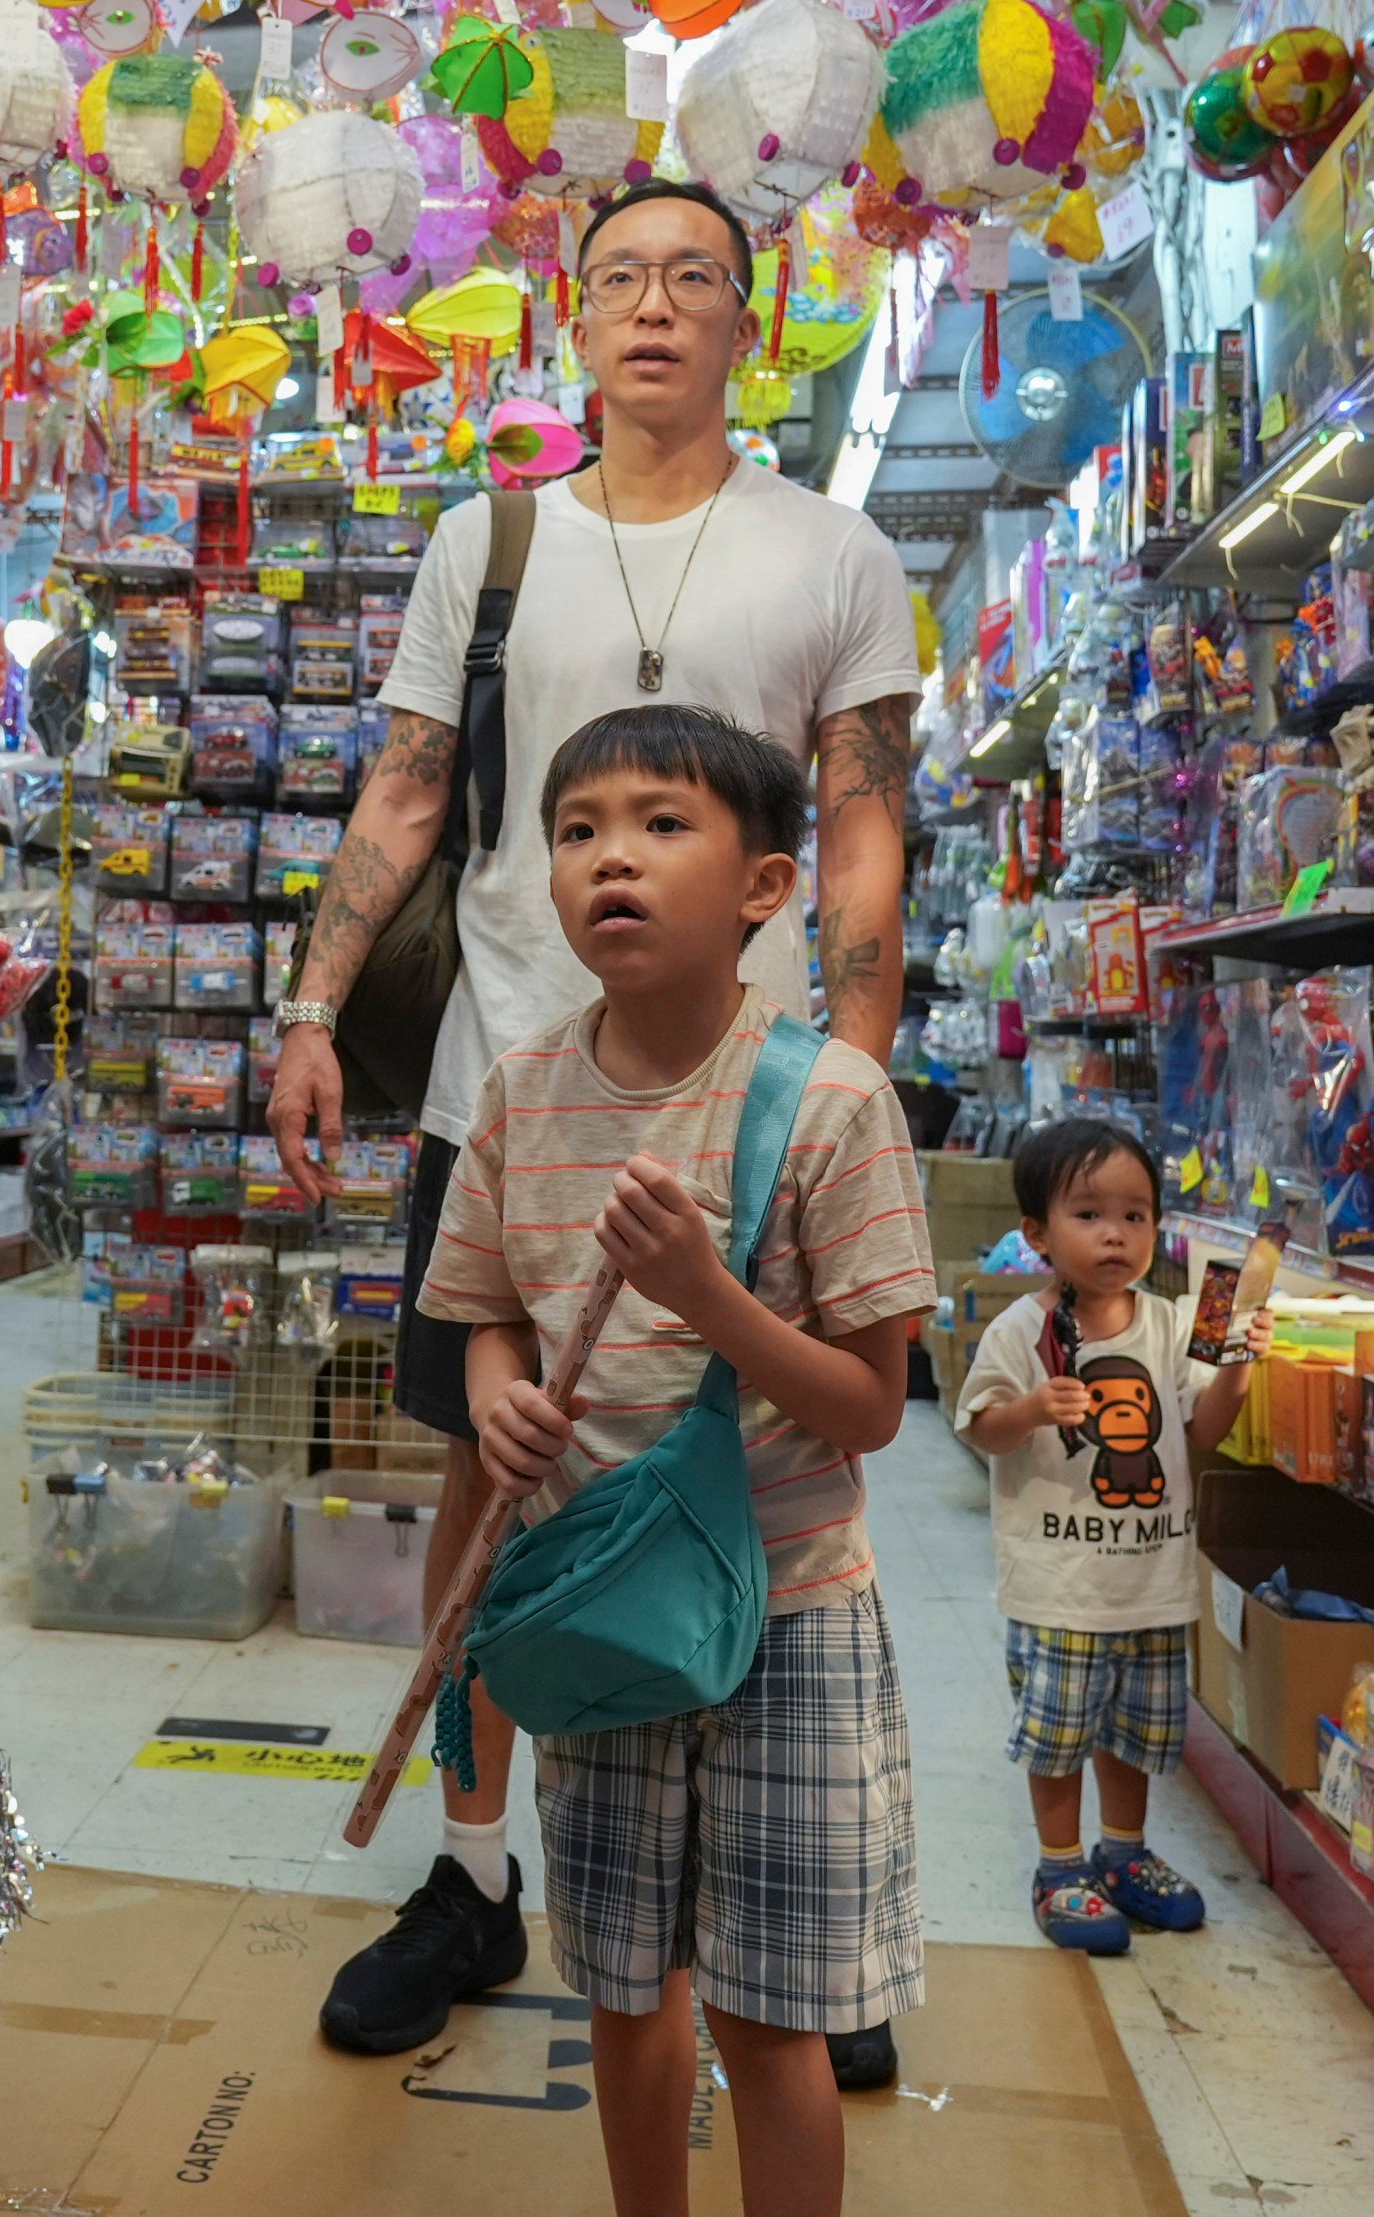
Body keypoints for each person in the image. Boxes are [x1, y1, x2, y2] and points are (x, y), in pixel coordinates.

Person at [270, 178, 925, 2066]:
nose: (657, 307)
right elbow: (408, 793)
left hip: (762, 1108)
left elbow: (865, 817)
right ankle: (475, 1877)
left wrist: (856, 1058)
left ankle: (797, 1927)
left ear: (750, 317)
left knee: (785, 1467)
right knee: (493, 1460)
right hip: (510, 1093)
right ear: (577, 318)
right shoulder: (490, 541)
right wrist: (314, 1007)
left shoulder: (836, 555)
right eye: (623, 278)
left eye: (694, 279)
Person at [419, 706, 932, 2217]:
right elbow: (486, 1323)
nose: (607, 860)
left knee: (769, 2016)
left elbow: (870, 1406)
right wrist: (503, 1398)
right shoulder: (517, 1096)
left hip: (787, 1613)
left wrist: (706, 1294)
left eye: (658, 824)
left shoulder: (832, 1101)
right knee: (623, 1994)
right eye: (576, 831)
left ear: (765, 885)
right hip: (597, 1612)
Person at [955, 1120, 1267, 1956]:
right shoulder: (1022, 1331)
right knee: (1057, 1736)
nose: (1114, 1234)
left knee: (1135, 1732)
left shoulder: (1171, 1323)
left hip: (1150, 1584)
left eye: (1134, 1216)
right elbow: (979, 1426)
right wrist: (1030, 1410)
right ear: (1036, 1235)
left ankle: (1122, 1854)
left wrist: (1237, 1363)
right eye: (1089, 1214)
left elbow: (1203, 1428)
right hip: (1059, 1584)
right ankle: (1059, 1867)